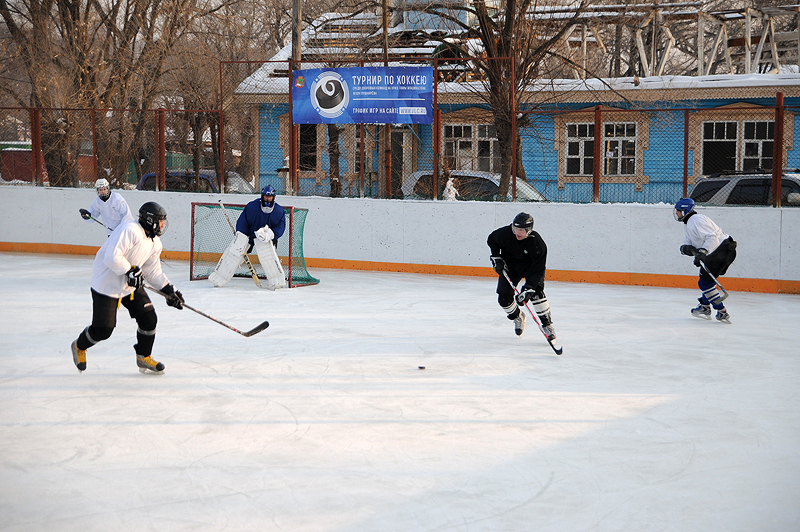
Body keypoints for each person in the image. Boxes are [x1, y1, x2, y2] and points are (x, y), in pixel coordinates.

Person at [70, 201, 185, 375]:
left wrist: (168, 290)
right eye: (160, 221)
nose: (162, 225)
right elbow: (111, 257)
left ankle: (143, 357)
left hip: (129, 284)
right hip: (107, 284)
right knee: (103, 330)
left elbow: (152, 271)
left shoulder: (155, 243)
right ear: (150, 220)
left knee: (149, 319)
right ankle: (79, 346)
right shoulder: (130, 230)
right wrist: (129, 271)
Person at [487, 212, 556, 340]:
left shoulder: (537, 244)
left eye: (522, 230)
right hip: (511, 267)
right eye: (516, 228)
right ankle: (518, 317)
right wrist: (496, 256)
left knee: (536, 293)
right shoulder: (506, 233)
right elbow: (492, 239)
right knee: (503, 299)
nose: (518, 232)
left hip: (531, 269)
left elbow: (538, 270)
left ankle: (547, 325)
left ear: (529, 230)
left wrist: (529, 288)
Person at [209, 185, 287, 288]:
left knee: (269, 257)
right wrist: (241, 236)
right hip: (249, 234)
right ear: (262, 196)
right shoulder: (252, 207)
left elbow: (280, 227)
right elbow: (243, 222)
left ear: (274, 197)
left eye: (270, 197)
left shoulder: (278, 211)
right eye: (266, 196)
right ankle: (219, 277)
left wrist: (270, 234)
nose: (268, 199)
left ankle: (277, 281)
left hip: (266, 238)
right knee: (235, 252)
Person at [674, 198, 737, 323]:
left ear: (685, 210)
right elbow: (691, 243)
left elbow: (712, 237)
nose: (676, 213)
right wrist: (686, 249)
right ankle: (704, 306)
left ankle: (721, 312)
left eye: (678, 211)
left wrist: (703, 252)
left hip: (720, 251)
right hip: (719, 251)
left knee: (704, 284)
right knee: (707, 282)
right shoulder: (689, 222)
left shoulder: (696, 220)